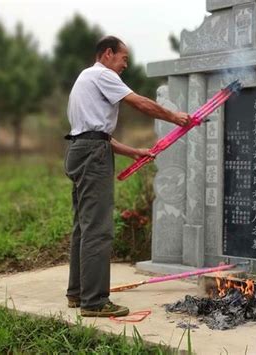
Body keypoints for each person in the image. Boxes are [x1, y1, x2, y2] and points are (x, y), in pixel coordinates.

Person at [64, 35, 190, 317]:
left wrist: (133, 151)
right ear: (108, 54)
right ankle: (94, 302)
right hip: (92, 155)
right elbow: (140, 103)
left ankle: (77, 293)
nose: (124, 65)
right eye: (123, 59)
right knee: (98, 229)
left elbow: (92, 134)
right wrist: (174, 117)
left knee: (83, 227)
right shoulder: (102, 75)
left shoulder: (85, 79)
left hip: (79, 150)